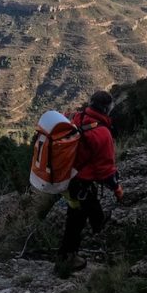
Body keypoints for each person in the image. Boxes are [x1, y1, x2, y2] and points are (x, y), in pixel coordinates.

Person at [56, 89, 124, 272]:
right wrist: (117, 189)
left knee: (86, 216)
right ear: (106, 108)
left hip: (70, 178)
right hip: (82, 184)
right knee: (77, 221)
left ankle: (76, 251)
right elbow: (106, 170)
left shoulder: (79, 117)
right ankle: (67, 259)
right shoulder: (102, 133)